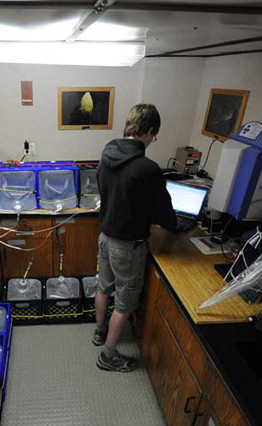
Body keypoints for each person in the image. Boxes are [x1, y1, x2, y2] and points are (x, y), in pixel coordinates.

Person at [93, 103, 186, 372]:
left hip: (106, 237)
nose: (151, 141)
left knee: (103, 287)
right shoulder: (147, 169)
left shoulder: (107, 152)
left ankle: (99, 332)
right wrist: (174, 224)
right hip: (127, 246)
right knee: (124, 302)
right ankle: (108, 356)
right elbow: (164, 214)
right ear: (148, 131)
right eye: (153, 136)